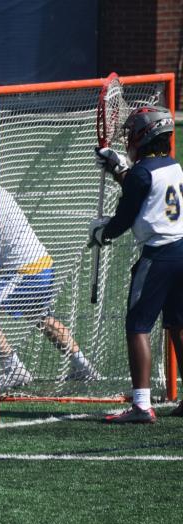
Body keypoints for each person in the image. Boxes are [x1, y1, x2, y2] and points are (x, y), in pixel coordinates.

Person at [0, 144, 99, 389]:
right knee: (41, 318)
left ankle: (14, 370)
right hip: (41, 268)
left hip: (25, 273)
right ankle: (84, 367)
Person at [90, 104, 183, 423]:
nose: (129, 137)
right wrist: (117, 168)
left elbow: (125, 217)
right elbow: (141, 187)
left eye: (133, 132)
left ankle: (141, 405)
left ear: (145, 135)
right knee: (178, 324)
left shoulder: (142, 173)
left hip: (157, 256)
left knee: (138, 326)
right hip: (181, 249)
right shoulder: (172, 165)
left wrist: (102, 232)